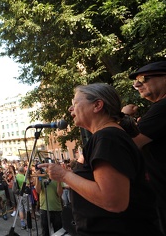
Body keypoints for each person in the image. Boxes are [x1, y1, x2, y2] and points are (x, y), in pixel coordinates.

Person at [39, 83, 161, 235]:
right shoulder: (107, 137)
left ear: (97, 105)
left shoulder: (108, 138)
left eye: (75, 103)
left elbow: (113, 201)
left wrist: (64, 175)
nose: (70, 109)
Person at [123, 61, 166, 235]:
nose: (137, 84)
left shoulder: (163, 108)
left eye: (143, 78)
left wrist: (123, 116)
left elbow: (127, 145)